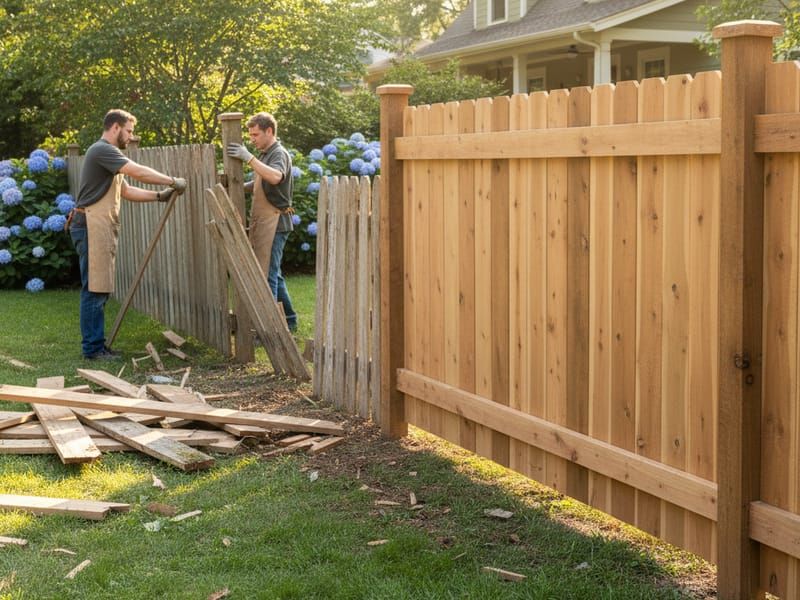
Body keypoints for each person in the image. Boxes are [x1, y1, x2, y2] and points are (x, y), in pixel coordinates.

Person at [69, 109, 186, 360]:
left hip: (96, 223)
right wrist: (172, 180)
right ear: (115, 127)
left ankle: (98, 346)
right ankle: (93, 350)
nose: (131, 137)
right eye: (129, 131)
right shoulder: (101, 150)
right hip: (90, 224)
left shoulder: (109, 156)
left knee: (99, 287)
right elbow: (137, 171)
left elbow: (127, 189)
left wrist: (158, 196)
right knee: (94, 288)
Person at [227, 112, 297, 332]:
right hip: (267, 222)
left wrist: (248, 158)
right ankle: (290, 319)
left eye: (256, 134)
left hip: (276, 223)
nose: (252, 139)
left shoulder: (279, 153)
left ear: (270, 131)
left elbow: (275, 177)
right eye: (250, 135)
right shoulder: (266, 153)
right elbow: (260, 182)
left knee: (267, 276)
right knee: (273, 273)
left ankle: (270, 329)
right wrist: (234, 185)